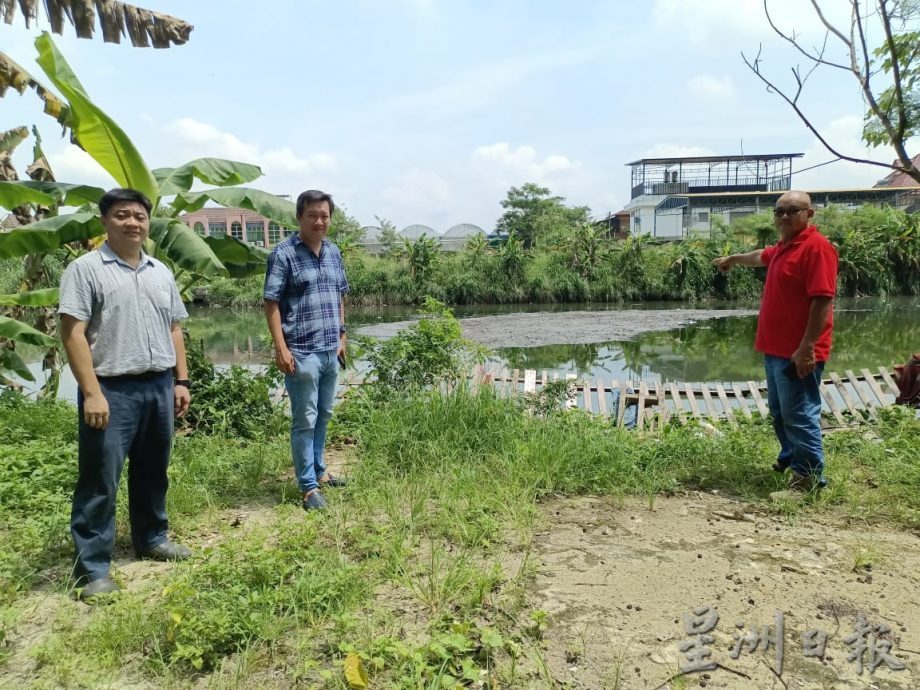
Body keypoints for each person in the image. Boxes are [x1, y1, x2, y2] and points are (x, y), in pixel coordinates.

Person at [58, 188, 193, 601]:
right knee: (100, 479)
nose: (132, 222)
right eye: (122, 215)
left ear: (148, 222)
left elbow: (174, 328)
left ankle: (152, 538)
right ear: (104, 222)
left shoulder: (160, 271)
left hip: (157, 385)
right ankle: (93, 569)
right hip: (111, 389)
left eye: (139, 215)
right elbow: (72, 332)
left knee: (153, 469)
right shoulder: (85, 270)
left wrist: (181, 381)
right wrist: (92, 392)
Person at [712, 190, 838, 492]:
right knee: (781, 412)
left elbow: (822, 300)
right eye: (779, 211)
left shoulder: (817, 249)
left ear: (809, 214)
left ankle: (807, 479)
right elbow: (760, 256)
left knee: (800, 413)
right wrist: (732, 259)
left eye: (792, 211)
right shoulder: (785, 246)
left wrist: (807, 347)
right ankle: (791, 460)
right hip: (775, 349)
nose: (784, 217)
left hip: (798, 351)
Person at [263, 189, 349, 511]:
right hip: (301, 351)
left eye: (324, 215)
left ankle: (320, 472)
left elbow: (340, 295)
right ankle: (308, 487)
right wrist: (280, 348)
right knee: (305, 419)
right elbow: (270, 303)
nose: (319, 221)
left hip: (330, 349)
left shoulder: (333, 251)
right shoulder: (283, 254)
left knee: (324, 414)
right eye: (312, 215)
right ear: (299, 217)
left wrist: (343, 336)